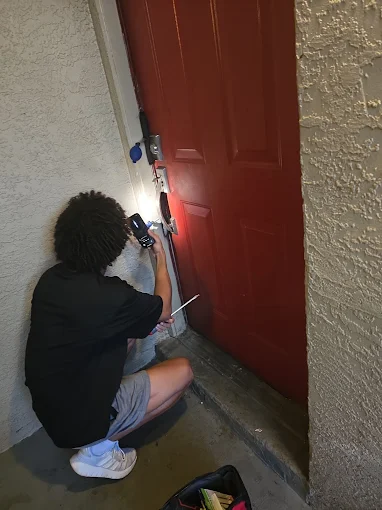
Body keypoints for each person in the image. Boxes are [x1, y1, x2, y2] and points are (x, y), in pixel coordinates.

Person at [25, 191, 193, 480]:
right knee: (183, 372)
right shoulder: (111, 297)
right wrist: (160, 256)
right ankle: (98, 450)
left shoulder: (50, 281)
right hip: (80, 422)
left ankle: (95, 433)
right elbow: (164, 309)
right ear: (111, 246)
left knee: (129, 335)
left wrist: (144, 324)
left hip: (52, 409)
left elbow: (92, 330)